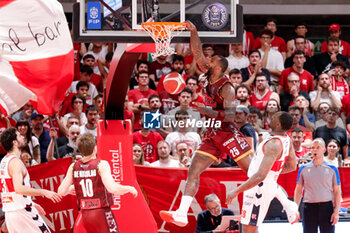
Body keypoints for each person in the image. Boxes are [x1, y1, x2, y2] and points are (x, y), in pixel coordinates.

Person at [159, 21, 253, 227]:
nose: (208, 60)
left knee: (255, 173)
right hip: (211, 135)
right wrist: (193, 31)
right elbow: (197, 52)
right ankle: (182, 214)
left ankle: (284, 203)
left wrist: (205, 110)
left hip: (228, 134)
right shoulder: (206, 74)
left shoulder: (227, 87)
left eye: (213, 60)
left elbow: (230, 116)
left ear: (219, 67)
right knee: (192, 170)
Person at [226, 112, 299, 232]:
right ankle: (288, 204)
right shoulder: (286, 140)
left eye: (274, 116)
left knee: (249, 228)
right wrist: (272, 173)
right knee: (251, 226)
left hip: (259, 188)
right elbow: (292, 166)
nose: (271, 117)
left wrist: (236, 191)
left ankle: (288, 205)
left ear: (278, 124)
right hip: (266, 183)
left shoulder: (274, 144)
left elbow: (260, 176)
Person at [58, 133, 137, 233]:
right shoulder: (101, 164)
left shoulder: (73, 166)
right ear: (95, 148)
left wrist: (71, 189)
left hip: (85, 215)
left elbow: (60, 191)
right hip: (101, 212)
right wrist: (129, 188)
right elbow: (112, 188)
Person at [0, 128, 61, 233]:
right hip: (23, 212)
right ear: (14, 142)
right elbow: (18, 188)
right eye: (19, 135)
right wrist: (44, 192)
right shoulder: (15, 162)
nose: (23, 137)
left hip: (11, 214)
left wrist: (31, 202)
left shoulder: (4, 161)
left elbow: (11, 190)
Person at [294, 138, 341, 233]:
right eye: (312, 148)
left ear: (324, 150)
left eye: (318, 147)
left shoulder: (332, 169)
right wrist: (295, 209)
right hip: (309, 208)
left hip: (327, 207)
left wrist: (336, 212)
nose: (315, 150)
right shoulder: (303, 168)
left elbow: (337, 191)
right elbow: (298, 189)